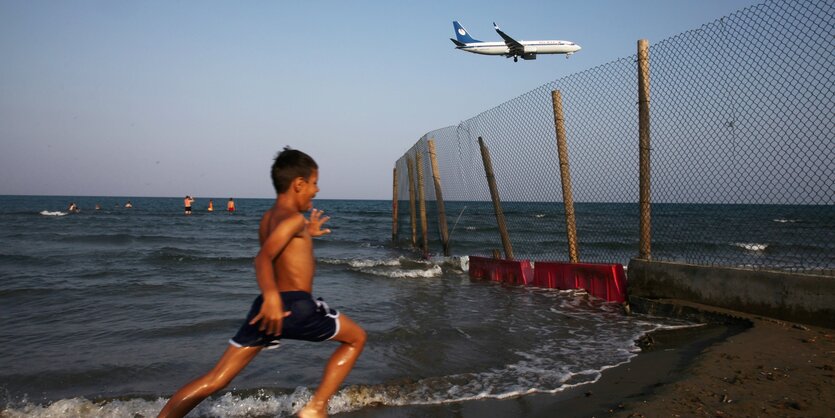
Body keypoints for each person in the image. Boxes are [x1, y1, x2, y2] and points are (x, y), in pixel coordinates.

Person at [157, 147, 366, 418]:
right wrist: (271, 296)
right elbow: (263, 259)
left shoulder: (269, 219)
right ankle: (315, 408)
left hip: (265, 312)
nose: (316, 190)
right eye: (314, 183)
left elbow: (282, 253)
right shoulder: (292, 220)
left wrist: (308, 232)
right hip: (293, 305)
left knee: (216, 378)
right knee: (356, 339)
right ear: (298, 184)